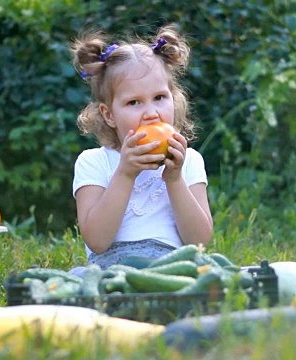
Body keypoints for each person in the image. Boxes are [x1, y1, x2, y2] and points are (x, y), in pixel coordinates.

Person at [69, 24, 213, 274]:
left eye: (159, 98)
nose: (151, 113)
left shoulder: (188, 160)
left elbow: (198, 242)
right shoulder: (94, 162)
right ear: (109, 114)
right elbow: (97, 241)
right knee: (78, 278)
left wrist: (174, 179)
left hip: (172, 270)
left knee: (213, 275)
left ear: (173, 97)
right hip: (111, 271)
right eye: (134, 102)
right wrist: (125, 173)